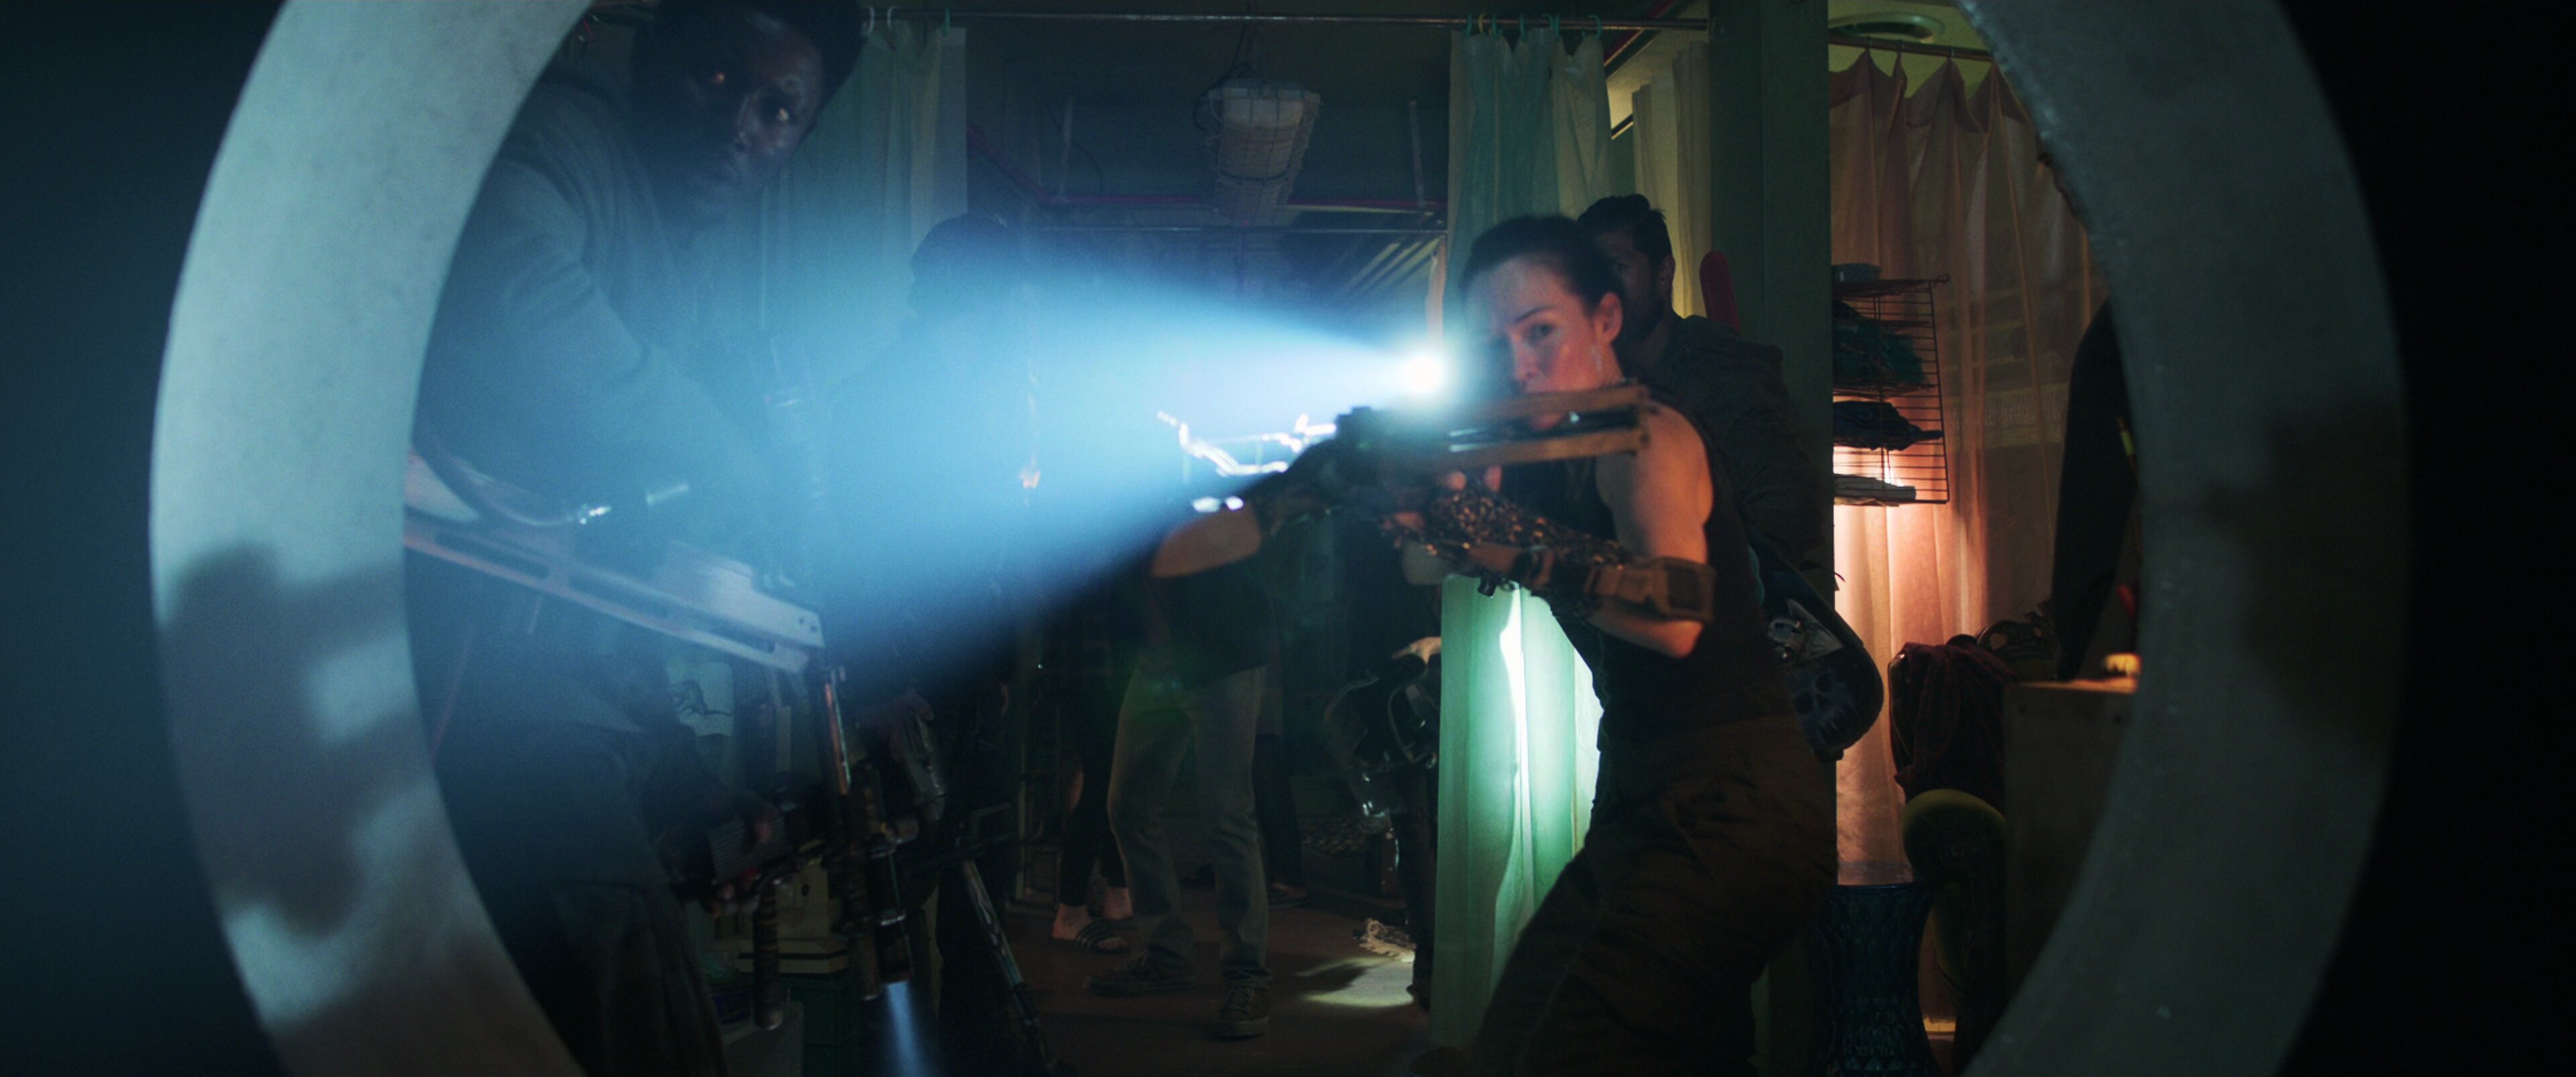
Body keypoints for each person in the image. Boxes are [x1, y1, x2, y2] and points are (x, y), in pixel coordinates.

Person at [409, 3, 861, 1074]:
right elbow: (508, 279)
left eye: (777, 110)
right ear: (654, 54)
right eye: (718, 77)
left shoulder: (682, 262)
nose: (738, 126)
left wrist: (680, 778)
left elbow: (604, 580)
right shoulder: (572, 136)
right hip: (472, 691)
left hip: (564, 707)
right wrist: (716, 450)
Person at [1434, 216, 1834, 1076]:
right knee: (1512, 1051)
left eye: (1540, 331)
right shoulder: (1552, 446)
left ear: (1606, 320)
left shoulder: (1645, 435)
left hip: (1733, 803)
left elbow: (1675, 611)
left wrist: (1503, 543)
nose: (1517, 365)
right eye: (1493, 344)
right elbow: (1426, 560)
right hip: (1641, 794)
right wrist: (1425, 503)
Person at [1085, 483, 1323, 1040]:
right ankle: (1169, 953)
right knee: (1129, 806)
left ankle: (1246, 975)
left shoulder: (1219, 471)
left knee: (1226, 816)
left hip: (1222, 657)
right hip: (1160, 661)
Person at [1576, 194, 1826, 567]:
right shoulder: (1595, 382)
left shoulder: (1714, 370)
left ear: (1663, 274)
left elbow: (1789, 508)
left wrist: (1721, 581)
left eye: (1618, 268)